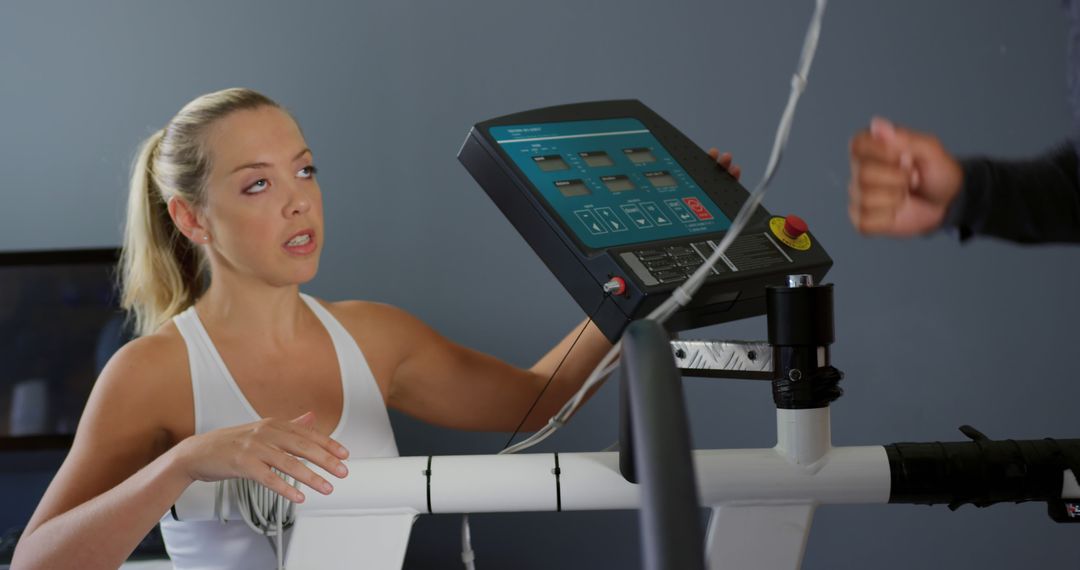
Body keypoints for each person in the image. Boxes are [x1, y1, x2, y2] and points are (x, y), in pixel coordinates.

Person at [11, 88, 614, 569]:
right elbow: (37, 562)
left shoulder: (378, 338)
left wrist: (645, 286)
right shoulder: (151, 372)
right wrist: (184, 463)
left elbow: (541, 400)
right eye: (258, 184)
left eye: (305, 170)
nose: (299, 201)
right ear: (192, 218)